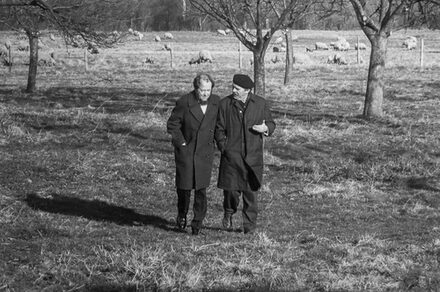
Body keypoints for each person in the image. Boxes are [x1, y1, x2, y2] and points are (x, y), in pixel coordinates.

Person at [215, 74, 276, 234]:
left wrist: (266, 129)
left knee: (251, 194)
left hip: (253, 157)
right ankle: (229, 212)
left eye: (237, 88)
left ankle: (249, 228)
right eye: (233, 87)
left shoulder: (260, 103)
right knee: (231, 192)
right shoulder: (224, 104)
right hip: (232, 156)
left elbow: (271, 123)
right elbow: (219, 129)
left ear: (248, 90)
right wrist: (224, 147)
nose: (233, 90)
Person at [167, 73, 220, 235]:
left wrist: (221, 144)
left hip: (205, 153)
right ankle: (182, 214)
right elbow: (172, 125)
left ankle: (197, 222)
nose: (205, 93)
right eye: (202, 90)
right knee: (184, 188)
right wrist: (182, 144)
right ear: (196, 89)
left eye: (208, 90)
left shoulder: (216, 102)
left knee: (201, 190)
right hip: (187, 152)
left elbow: (218, 125)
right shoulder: (184, 102)